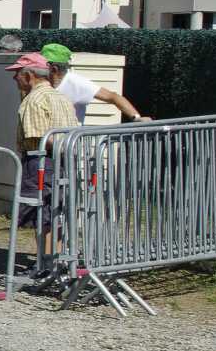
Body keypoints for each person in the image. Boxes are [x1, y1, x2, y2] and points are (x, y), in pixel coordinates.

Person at [9, 53, 78, 265]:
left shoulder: (33, 100)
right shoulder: (61, 97)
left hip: (41, 161)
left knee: (42, 212)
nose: (14, 78)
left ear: (29, 75)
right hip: (65, 161)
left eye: (17, 74)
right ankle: (56, 261)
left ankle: (46, 263)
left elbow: (40, 138)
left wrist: (56, 147)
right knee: (57, 210)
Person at [39, 42, 148, 123]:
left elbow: (113, 97)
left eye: (40, 64)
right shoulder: (38, 80)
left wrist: (136, 118)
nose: (37, 67)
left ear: (54, 69)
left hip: (64, 143)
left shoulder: (76, 82)